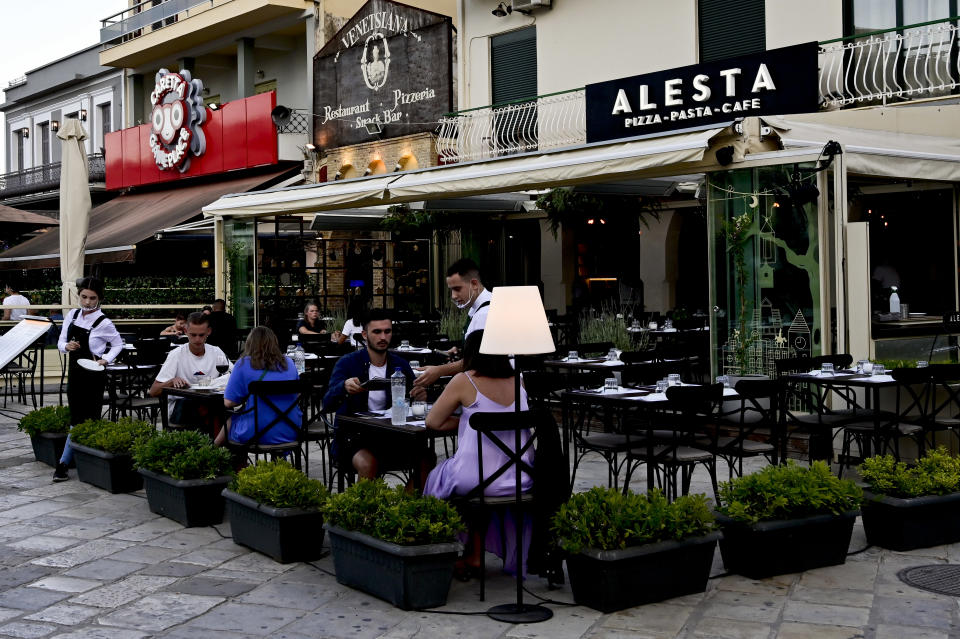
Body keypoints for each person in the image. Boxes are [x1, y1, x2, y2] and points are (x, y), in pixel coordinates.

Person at [423, 330, 533, 579]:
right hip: (520, 478)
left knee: (437, 477)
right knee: (474, 485)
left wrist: (468, 419)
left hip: (477, 479)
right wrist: (474, 421)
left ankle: (437, 554)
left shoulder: (464, 380)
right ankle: (474, 556)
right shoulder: (519, 380)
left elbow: (433, 422)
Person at [322, 309, 427, 479]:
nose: (383, 337)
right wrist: (343, 387)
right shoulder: (348, 363)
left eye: (387, 331)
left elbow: (413, 398)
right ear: (364, 334)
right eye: (377, 332)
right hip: (353, 439)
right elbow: (327, 404)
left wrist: (420, 396)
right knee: (368, 463)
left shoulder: (399, 365)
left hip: (391, 436)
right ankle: (366, 505)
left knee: (426, 458)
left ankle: (406, 503)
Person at [53, 276, 123, 482]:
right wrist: (66, 347)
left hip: (93, 376)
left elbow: (118, 344)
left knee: (89, 417)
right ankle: (77, 458)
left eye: (92, 298)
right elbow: (60, 341)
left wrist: (105, 359)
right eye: (84, 297)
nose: (87, 302)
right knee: (76, 417)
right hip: (75, 373)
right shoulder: (72, 315)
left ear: (99, 298)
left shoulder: (104, 322)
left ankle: (64, 463)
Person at [414, 258, 492, 389]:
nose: (453, 296)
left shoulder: (485, 314)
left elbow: (477, 362)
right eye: (451, 290)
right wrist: (462, 351)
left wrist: (439, 371)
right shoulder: (481, 309)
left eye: (457, 289)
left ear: (474, 284)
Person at [217, 326, 300, 447]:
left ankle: (212, 455)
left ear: (250, 343)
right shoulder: (289, 363)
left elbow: (229, 403)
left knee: (231, 420)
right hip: (291, 430)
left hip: (257, 432)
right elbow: (297, 394)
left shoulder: (244, 364)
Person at [149, 312, 231, 428]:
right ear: (186, 331)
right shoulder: (176, 355)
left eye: (201, 335)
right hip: (182, 410)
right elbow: (153, 391)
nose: (197, 339)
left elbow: (233, 375)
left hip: (209, 405)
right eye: (193, 335)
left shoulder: (216, 352)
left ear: (209, 332)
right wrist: (171, 381)